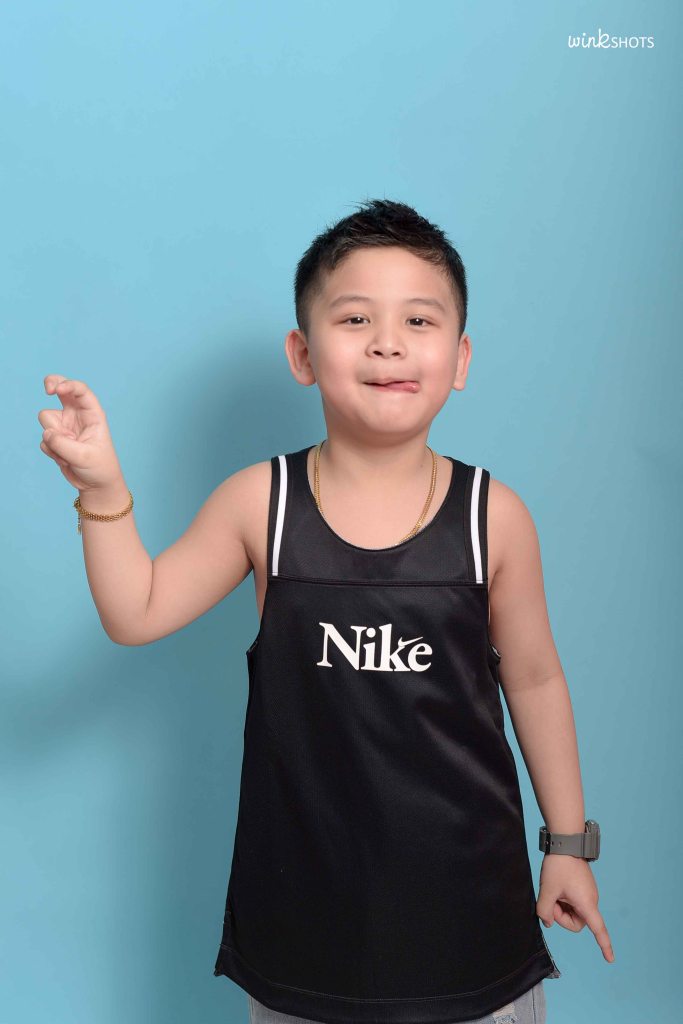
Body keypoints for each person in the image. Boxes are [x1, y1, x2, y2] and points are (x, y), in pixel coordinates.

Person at [38, 199, 614, 1024]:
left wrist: (566, 846)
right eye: (354, 318)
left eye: (419, 320)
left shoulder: (494, 517)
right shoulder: (259, 503)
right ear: (303, 354)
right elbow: (138, 611)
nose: (387, 342)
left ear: (459, 358)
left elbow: (533, 679)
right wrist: (103, 491)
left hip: (468, 907)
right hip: (305, 917)